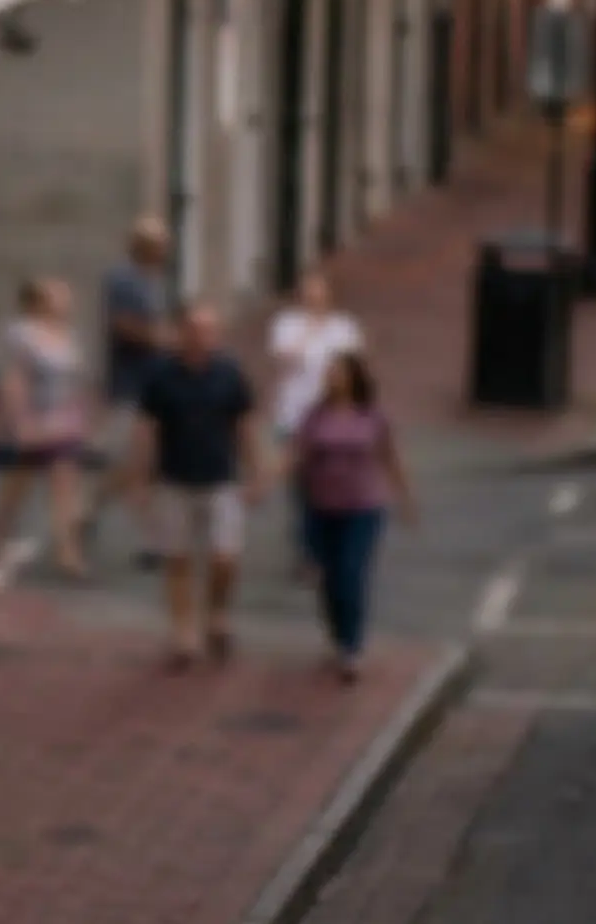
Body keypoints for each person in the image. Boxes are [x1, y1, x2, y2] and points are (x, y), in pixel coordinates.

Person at [131, 302, 264, 668]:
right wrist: (140, 479)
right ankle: (183, 632)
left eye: (209, 331)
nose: (201, 338)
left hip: (221, 477)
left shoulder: (229, 373)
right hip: (174, 478)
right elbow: (146, 429)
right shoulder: (160, 375)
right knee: (178, 559)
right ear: (181, 333)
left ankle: (217, 612)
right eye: (194, 330)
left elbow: (245, 425)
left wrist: (256, 472)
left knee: (225, 556)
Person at [293, 353, 416, 682]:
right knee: (328, 578)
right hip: (321, 505)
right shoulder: (315, 416)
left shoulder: (373, 416)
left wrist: (405, 498)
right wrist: (265, 481)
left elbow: (391, 458)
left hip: (362, 506)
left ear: (353, 378)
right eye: (329, 373)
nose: (333, 379)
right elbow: (297, 456)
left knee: (350, 572)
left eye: (339, 373)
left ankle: (352, 646)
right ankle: (336, 636)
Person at [0, 277, 89, 578]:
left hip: (62, 419)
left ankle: (67, 550)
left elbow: (73, 381)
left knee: (65, 485)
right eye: (57, 296)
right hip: (33, 419)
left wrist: (80, 413)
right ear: (40, 302)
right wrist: (19, 421)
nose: (66, 301)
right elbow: (15, 380)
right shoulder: (23, 335)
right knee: (17, 485)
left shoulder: (69, 335)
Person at [268, 270, 364, 576]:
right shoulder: (287, 325)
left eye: (319, 293)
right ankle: (307, 552)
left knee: (330, 484)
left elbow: (354, 371)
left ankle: (326, 546)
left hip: (332, 421)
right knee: (301, 487)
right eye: (308, 293)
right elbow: (286, 359)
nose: (313, 299)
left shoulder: (345, 328)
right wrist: (309, 329)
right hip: (295, 417)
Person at [95, 217, 176, 565]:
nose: (164, 251)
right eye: (159, 244)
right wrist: (162, 338)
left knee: (145, 465)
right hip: (130, 384)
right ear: (141, 244)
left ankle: (152, 540)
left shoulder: (154, 281)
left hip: (154, 384)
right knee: (131, 463)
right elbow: (122, 326)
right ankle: (150, 539)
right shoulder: (123, 278)